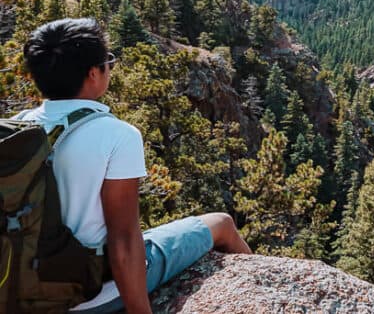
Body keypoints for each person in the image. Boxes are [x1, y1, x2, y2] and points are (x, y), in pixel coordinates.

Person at [14, 18, 251, 313]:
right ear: (93, 73)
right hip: (90, 294)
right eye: (108, 61)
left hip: (21, 289)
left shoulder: (17, 130)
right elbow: (124, 240)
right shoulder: (117, 136)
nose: (110, 68)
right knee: (223, 224)